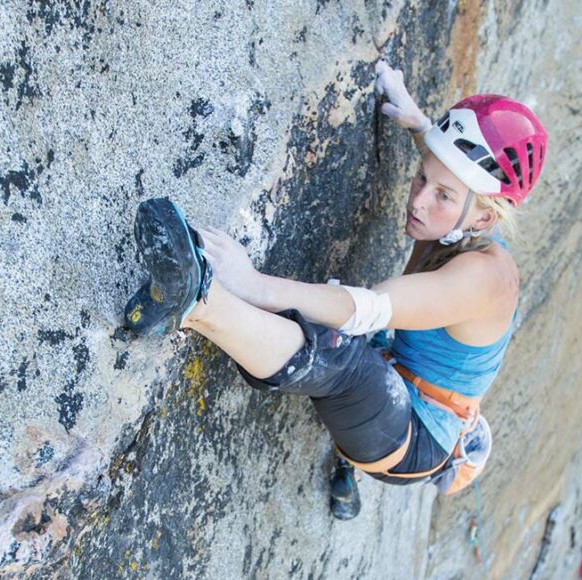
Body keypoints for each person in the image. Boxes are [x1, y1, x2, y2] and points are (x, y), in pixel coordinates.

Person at [122, 61, 547, 519]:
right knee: (323, 316)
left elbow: (366, 309)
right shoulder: (465, 219)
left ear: (484, 218)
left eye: (442, 196)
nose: (419, 200)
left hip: (415, 439)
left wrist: (253, 283)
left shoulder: (485, 279)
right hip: (400, 380)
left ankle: (197, 301)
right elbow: (450, 175)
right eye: (422, 176)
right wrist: (419, 124)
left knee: (340, 354)